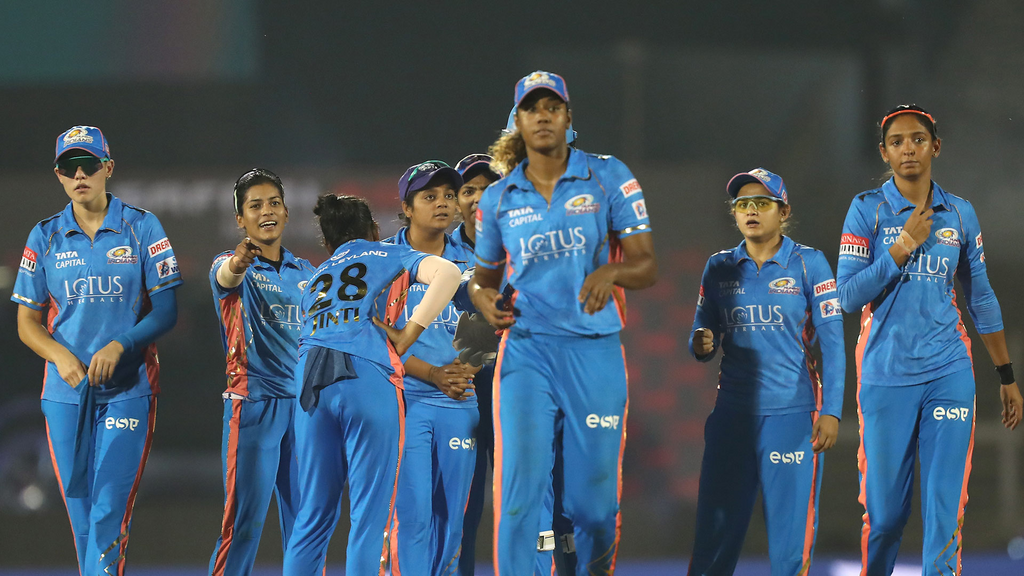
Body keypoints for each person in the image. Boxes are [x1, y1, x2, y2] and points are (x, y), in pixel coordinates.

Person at [468, 71, 657, 575]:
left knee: (594, 510)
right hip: (526, 353)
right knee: (518, 500)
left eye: (552, 107)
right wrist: (484, 301)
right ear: (519, 122)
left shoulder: (607, 175)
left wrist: (612, 271)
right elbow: (482, 280)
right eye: (532, 108)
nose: (543, 116)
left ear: (568, 117)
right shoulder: (498, 198)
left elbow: (646, 266)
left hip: (593, 350)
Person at [837, 104, 1022, 576]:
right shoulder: (867, 209)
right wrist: (902, 246)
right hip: (885, 374)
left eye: (918, 139)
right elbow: (847, 296)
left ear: (935, 147)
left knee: (944, 509)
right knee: (884, 520)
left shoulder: (960, 212)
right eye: (896, 142)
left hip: (948, 370)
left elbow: (981, 297)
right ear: (884, 153)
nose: (908, 149)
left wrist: (1006, 376)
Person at [12, 125, 181, 575]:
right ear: (58, 175)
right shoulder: (44, 236)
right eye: (69, 168)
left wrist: (121, 344)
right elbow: (26, 324)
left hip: (128, 389)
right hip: (65, 394)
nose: (80, 175)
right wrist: (60, 356)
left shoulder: (142, 226)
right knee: (84, 519)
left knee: (108, 512)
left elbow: (166, 311)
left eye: (88, 165)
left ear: (108, 167)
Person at [282, 194, 462, 576]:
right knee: (368, 517)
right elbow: (448, 274)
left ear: (327, 241)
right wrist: (408, 334)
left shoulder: (315, 278)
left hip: (310, 382)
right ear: (374, 229)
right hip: (365, 376)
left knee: (312, 516)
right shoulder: (386, 253)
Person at [686, 169, 845, 575]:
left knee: (790, 550)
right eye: (742, 204)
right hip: (732, 418)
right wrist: (701, 343)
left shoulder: (809, 263)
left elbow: (833, 344)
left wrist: (831, 411)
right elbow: (702, 331)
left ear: (783, 211)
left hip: (792, 417)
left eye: (761, 203)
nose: (751, 211)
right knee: (712, 546)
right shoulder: (719, 266)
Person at [208, 169, 316, 576]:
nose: (266, 211)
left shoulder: (308, 274)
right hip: (253, 407)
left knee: (308, 527)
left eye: (274, 203)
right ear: (240, 219)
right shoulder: (232, 266)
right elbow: (226, 275)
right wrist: (239, 261)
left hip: (304, 412)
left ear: (286, 212)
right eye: (255, 206)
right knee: (244, 525)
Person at [384, 160, 480, 575]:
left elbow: (488, 327)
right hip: (405, 402)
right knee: (412, 516)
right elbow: (373, 335)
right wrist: (433, 374)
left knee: (452, 521)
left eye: (448, 195)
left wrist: (464, 371)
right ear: (406, 208)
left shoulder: (475, 261)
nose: (442, 203)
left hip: (460, 400)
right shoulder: (383, 259)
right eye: (429, 196)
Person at [451, 153, 503, 576]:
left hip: (512, 384)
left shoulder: (521, 243)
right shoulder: (436, 247)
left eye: (488, 189)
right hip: (457, 389)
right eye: (469, 190)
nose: (478, 198)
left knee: (524, 501)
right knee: (463, 508)